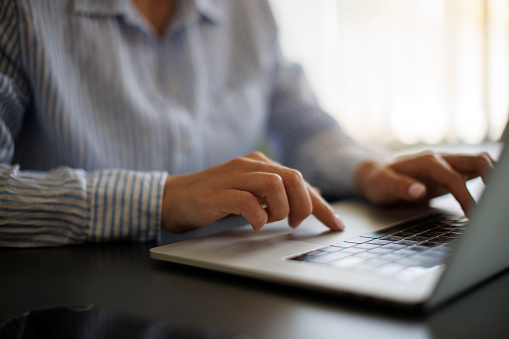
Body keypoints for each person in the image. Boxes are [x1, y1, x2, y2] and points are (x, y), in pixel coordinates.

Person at [0, 0, 493, 247]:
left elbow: (302, 125)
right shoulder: (23, 13)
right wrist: (163, 198)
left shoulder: (247, 9)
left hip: (229, 274)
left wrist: (371, 171)